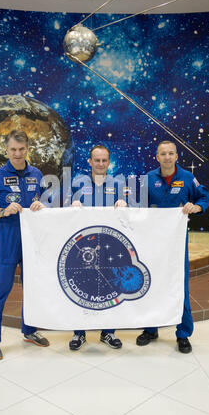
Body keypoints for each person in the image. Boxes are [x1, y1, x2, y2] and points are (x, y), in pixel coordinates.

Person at [0, 130, 49, 360]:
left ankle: (29, 330)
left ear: (28, 149)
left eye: (22, 149)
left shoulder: (36, 174)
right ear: (6, 151)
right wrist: (2, 210)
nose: (18, 154)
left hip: (32, 241)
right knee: (0, 289)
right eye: (13, 150)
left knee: (33, 288)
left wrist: (41, 204)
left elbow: (46, 200)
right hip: (8, 240)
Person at [136, 140, 209, 353]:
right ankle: (151, 329)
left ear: (177, 156)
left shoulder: (187, 178)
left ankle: (183, 333)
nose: (167, 157)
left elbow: (204, 197)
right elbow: (135, 203)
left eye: (171, 153)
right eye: (163, 154)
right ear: (157, 157)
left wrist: (196, 206)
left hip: (177, 245)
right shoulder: (148, 179)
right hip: (151, 243)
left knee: (180, 286)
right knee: (150, 283)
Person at [66, 144, 128, 351]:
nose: (100, 164)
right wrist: (71, 206)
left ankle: (108, 333)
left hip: (110, 247)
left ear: (109, 162)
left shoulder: (119, 184)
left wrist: (126, 205)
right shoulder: (76, 183)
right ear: (90, 162)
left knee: (110, 288)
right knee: (81, 287)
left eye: (104, 160)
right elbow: (61, 207)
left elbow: (136, 209)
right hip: (83, 247)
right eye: (97, 160)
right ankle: (79, 333)